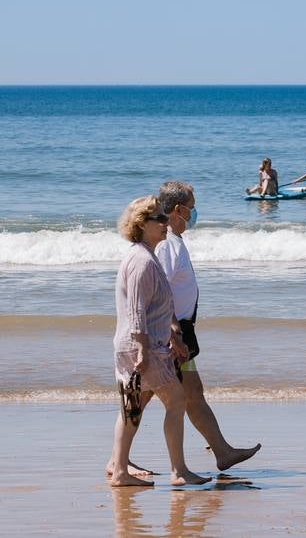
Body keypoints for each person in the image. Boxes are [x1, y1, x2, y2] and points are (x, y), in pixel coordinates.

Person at [156, 180, 261, 470]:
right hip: (171, 334)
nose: (194, 212)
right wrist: (172, 332)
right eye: (192, 207)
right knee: (144, 398)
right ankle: (119, 460)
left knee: (193, 392)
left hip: (181, 332)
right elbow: (158, 290)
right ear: (179, 210)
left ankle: (222, 452)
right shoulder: (167, 244)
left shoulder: (175, 241)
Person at [108, 195, 210, 488]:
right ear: (142, 224)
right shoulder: (141, 261)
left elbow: (158, 307)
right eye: (160, 219)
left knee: (132, 409)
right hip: (143, 347)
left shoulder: (146, 255)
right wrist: (142, 348)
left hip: (145, 344)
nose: (166, 223)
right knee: (175, 401)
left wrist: (174, 336)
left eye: (166, 218)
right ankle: (178, 471)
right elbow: (136, 310)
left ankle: (120, 470)